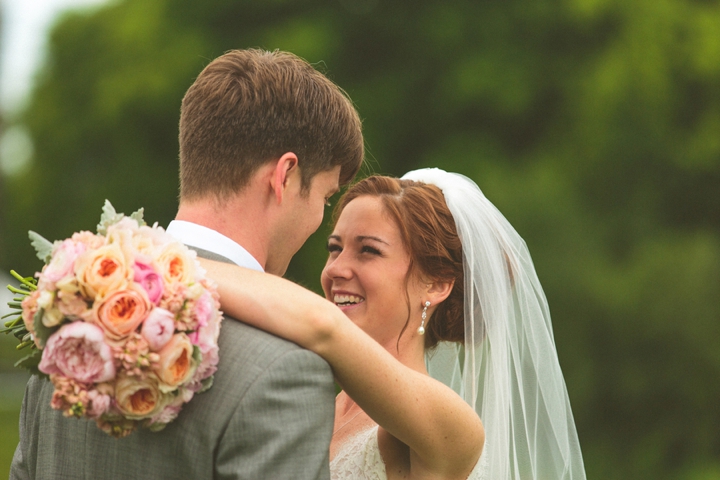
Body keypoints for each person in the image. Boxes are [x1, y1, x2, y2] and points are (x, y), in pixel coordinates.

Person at [10, 48, 364, 479]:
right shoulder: (286, 370)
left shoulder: (67, 324)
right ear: (285, 175)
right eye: (325, 198)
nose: (318, 219)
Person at [199, 168, 588, 479]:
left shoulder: (451, 425)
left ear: (436, 284)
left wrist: (159, 265)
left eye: (368, 251)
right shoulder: (309, 398)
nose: (335, 269)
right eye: (334, 248)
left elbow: (321, 325)